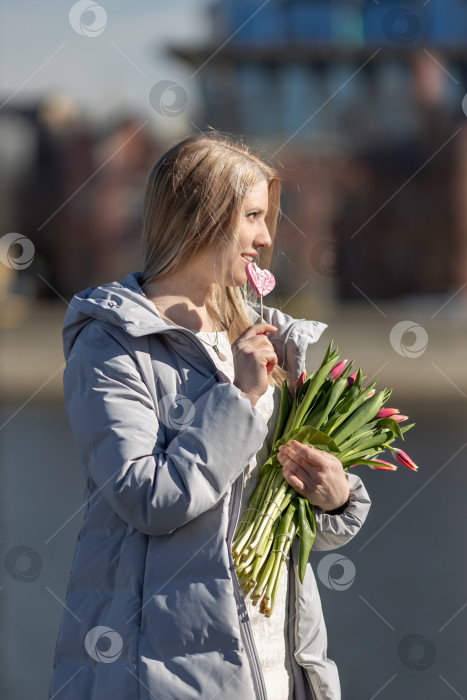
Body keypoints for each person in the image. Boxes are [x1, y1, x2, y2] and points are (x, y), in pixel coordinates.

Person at [48, 132, 371, 700]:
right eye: (252, 216)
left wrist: (334, 496)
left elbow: (267, 516)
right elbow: (146, 498)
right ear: (202, 216)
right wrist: (241, 399)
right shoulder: (113, 343)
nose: (266, 238)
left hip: (281, 667)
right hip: (166, 674)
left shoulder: (267, 339)